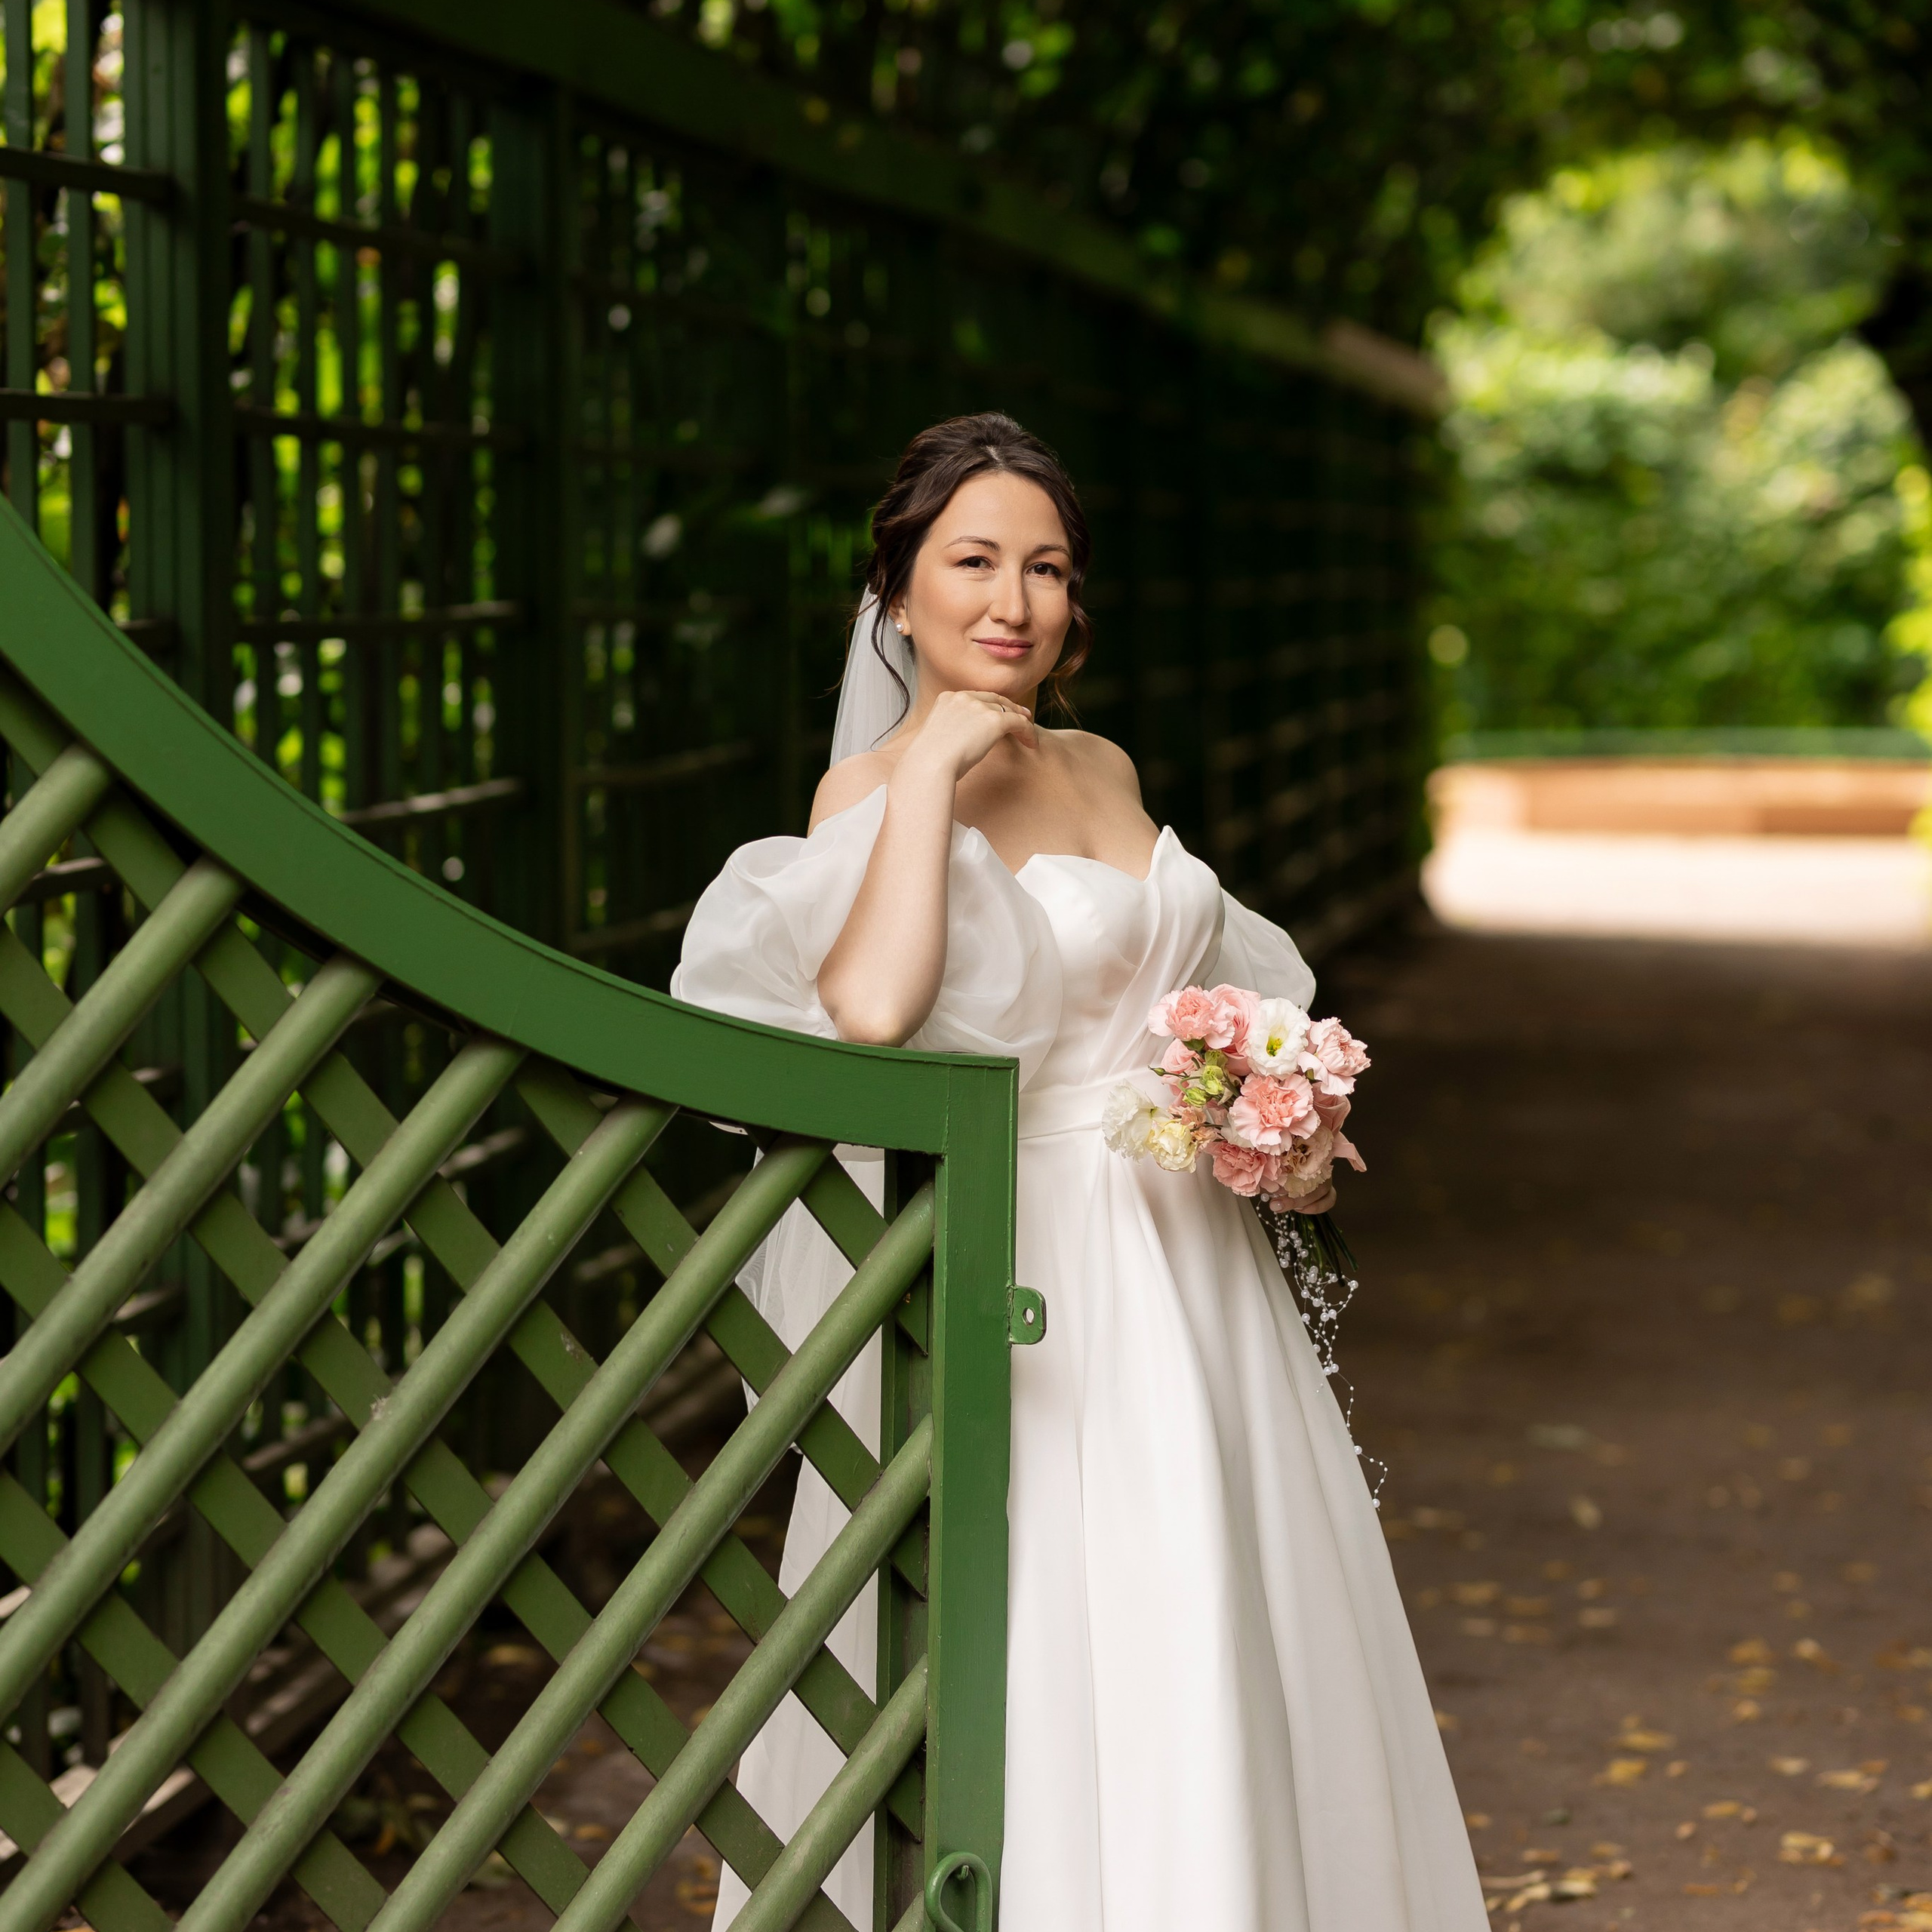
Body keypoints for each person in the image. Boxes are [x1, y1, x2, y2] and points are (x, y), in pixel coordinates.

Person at [671, 413, 1486, 1930]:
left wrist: (1271, 1113)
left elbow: (1193, 999)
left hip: (1187, 1258)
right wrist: (925, 776)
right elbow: (871, 1011)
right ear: (897, 593)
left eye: (1044, 566)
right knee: (1045, 1605)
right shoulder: (866, 795)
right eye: (971, 562)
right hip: (1024, 1250)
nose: (1013, 601)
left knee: (1215, 1608)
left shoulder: (1103, 762)